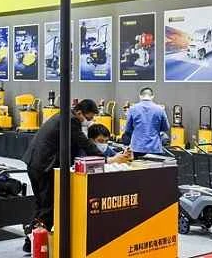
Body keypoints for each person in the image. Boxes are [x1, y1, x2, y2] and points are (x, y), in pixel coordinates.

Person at [22, 99, 131, 253]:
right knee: (49, 206)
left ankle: (32, 241)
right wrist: (107, 160)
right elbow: (84, 143)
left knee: (41, 204)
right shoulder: (72, 120)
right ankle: (36, 245)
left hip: (34, 163)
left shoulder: (63, 116)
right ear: (79, 112)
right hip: (45, 166)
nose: (90, 121)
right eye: (89, 118)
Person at [122, 87, 170, 158]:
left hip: (137, 147)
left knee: (138, 165)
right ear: (152, 96)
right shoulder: (160, 109)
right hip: (154, 148)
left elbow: (128, 129)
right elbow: (166, 128)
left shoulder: (132, 109)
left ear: (140, 96)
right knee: (154, 165)